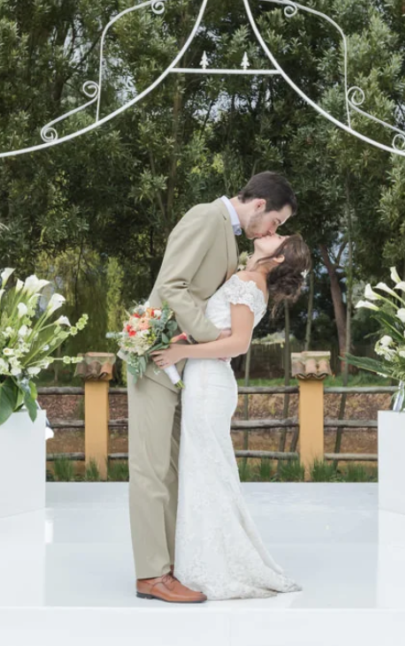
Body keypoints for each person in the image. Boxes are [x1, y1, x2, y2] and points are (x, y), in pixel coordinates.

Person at [129, 171, 297, 603]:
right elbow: (172, 284)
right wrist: (207, 340)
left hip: (181, 363)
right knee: (152, 471)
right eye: (276, 222)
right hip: (157, 356)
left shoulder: (231, 237)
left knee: (172, 469)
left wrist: (199, 349)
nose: (273, 231)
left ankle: (170, 567)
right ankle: (151, 574)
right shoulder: (207, 218)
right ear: (259, 205)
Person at [152, 232, 310, 600]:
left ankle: (215, 565)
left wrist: (182, 355)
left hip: (210, 382)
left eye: (279, 236)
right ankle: (202, 558)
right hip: (207, 379)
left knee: (209, 471)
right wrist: (182, 344)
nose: (272, 232)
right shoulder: (246, 277)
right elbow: (216, 328)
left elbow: (238, 343)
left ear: (280, 259)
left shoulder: (249, 282)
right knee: (204, 470)